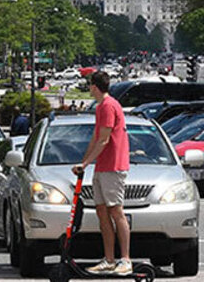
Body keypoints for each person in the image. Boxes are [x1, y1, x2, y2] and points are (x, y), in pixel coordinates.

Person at [72, 72, 132, 275]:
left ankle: (125, 259)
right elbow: (95, 139)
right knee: (102, 211)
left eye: (90, 85)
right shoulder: (100, 108)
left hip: (113, 166)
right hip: (102, 167)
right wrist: (83, 162)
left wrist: (87, 162)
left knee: (116, 210)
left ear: (95, 87)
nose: (89, 89)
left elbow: (105, 140)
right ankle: (109, 259)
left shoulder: (108, 106)